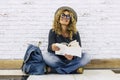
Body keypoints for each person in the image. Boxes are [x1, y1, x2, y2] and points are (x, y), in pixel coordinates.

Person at [42, 6, 91, 74]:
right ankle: (73, 69)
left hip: (71, 60)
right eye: (63, 15)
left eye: (68, 16)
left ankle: (54, 70)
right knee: (46, 56)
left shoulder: (75, 32)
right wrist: (52, 47)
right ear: (58, 17)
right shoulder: (53, 31)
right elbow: (49, 49)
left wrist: (72, 56)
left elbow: (79, 49)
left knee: (87, 56)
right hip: (58, 59)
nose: (65, 17)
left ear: (71, 20)